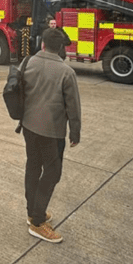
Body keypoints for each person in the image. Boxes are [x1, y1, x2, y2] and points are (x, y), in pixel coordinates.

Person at [21, 27, 81, 243]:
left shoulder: (28, 63)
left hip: (28, 127)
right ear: (61, 48)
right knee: (52, 172)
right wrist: (75, 132)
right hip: (52, 132)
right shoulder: (66, 72)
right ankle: (38, 222)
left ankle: (32, 211)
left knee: (33, 166)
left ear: (42, 44)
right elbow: (73, 106)